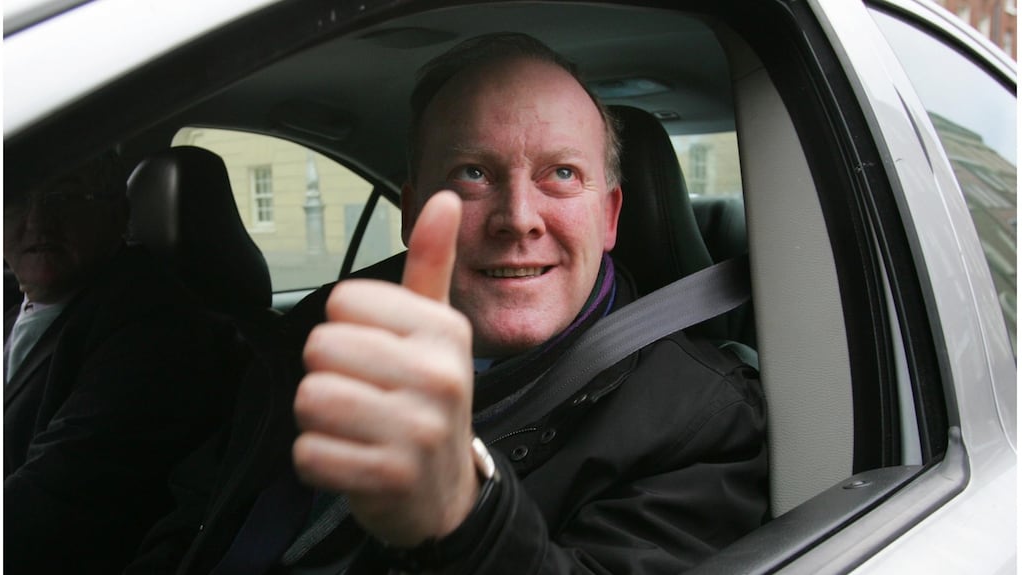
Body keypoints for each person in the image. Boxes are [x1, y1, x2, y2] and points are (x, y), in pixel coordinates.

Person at [133, 33, 767, 574]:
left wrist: (465, 518)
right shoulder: (321, 331)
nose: (519, 218)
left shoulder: (705, 422)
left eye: (563, 174)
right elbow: (198, 509)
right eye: (473, 173)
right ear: (411, 212)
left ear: (609, 216)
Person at [4, 150, 237, 574]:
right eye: (18, 198)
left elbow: (55, 500)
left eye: (63, 196)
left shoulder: (154, 326)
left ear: (119, 213)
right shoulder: (15, 302)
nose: (37, 221)